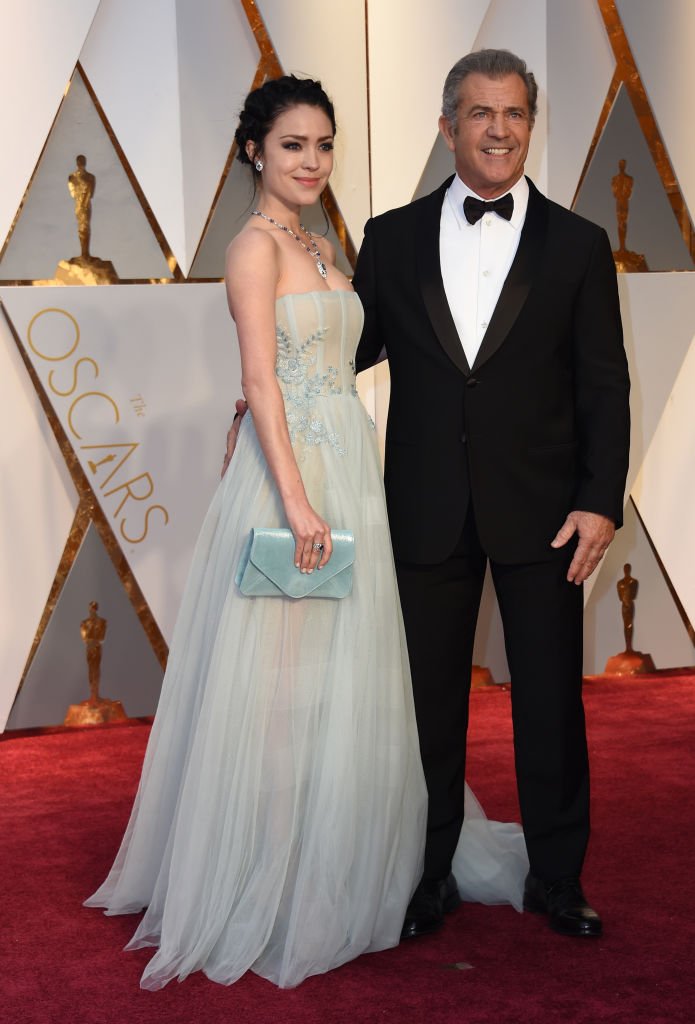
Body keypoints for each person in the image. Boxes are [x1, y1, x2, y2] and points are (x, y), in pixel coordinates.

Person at [85, 75, 524, 990]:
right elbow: (264, 379)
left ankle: (342, 865)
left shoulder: (321, 243)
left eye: (323, 145)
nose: (312, 161)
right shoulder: (254, 249)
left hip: (350, 472)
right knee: (281, 693)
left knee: (342, 683)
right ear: (255, 151)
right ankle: (272, 884)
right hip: (293, 488)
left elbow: (334, 358)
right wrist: (293, 498)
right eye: (293, 145)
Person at [352, 49, 630, 941]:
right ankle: (425, 874)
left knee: (550, 701)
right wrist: (272, 379)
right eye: (480, 114)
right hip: (424, 504)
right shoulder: (388, 237)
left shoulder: (579, 244)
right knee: (426, 703)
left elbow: (604, 386)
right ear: (447, 127)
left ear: (529, 125)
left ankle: (557, 877)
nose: (499, 130)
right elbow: (346, 350)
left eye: (513, 114)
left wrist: (600, 499)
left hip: (547, 513)